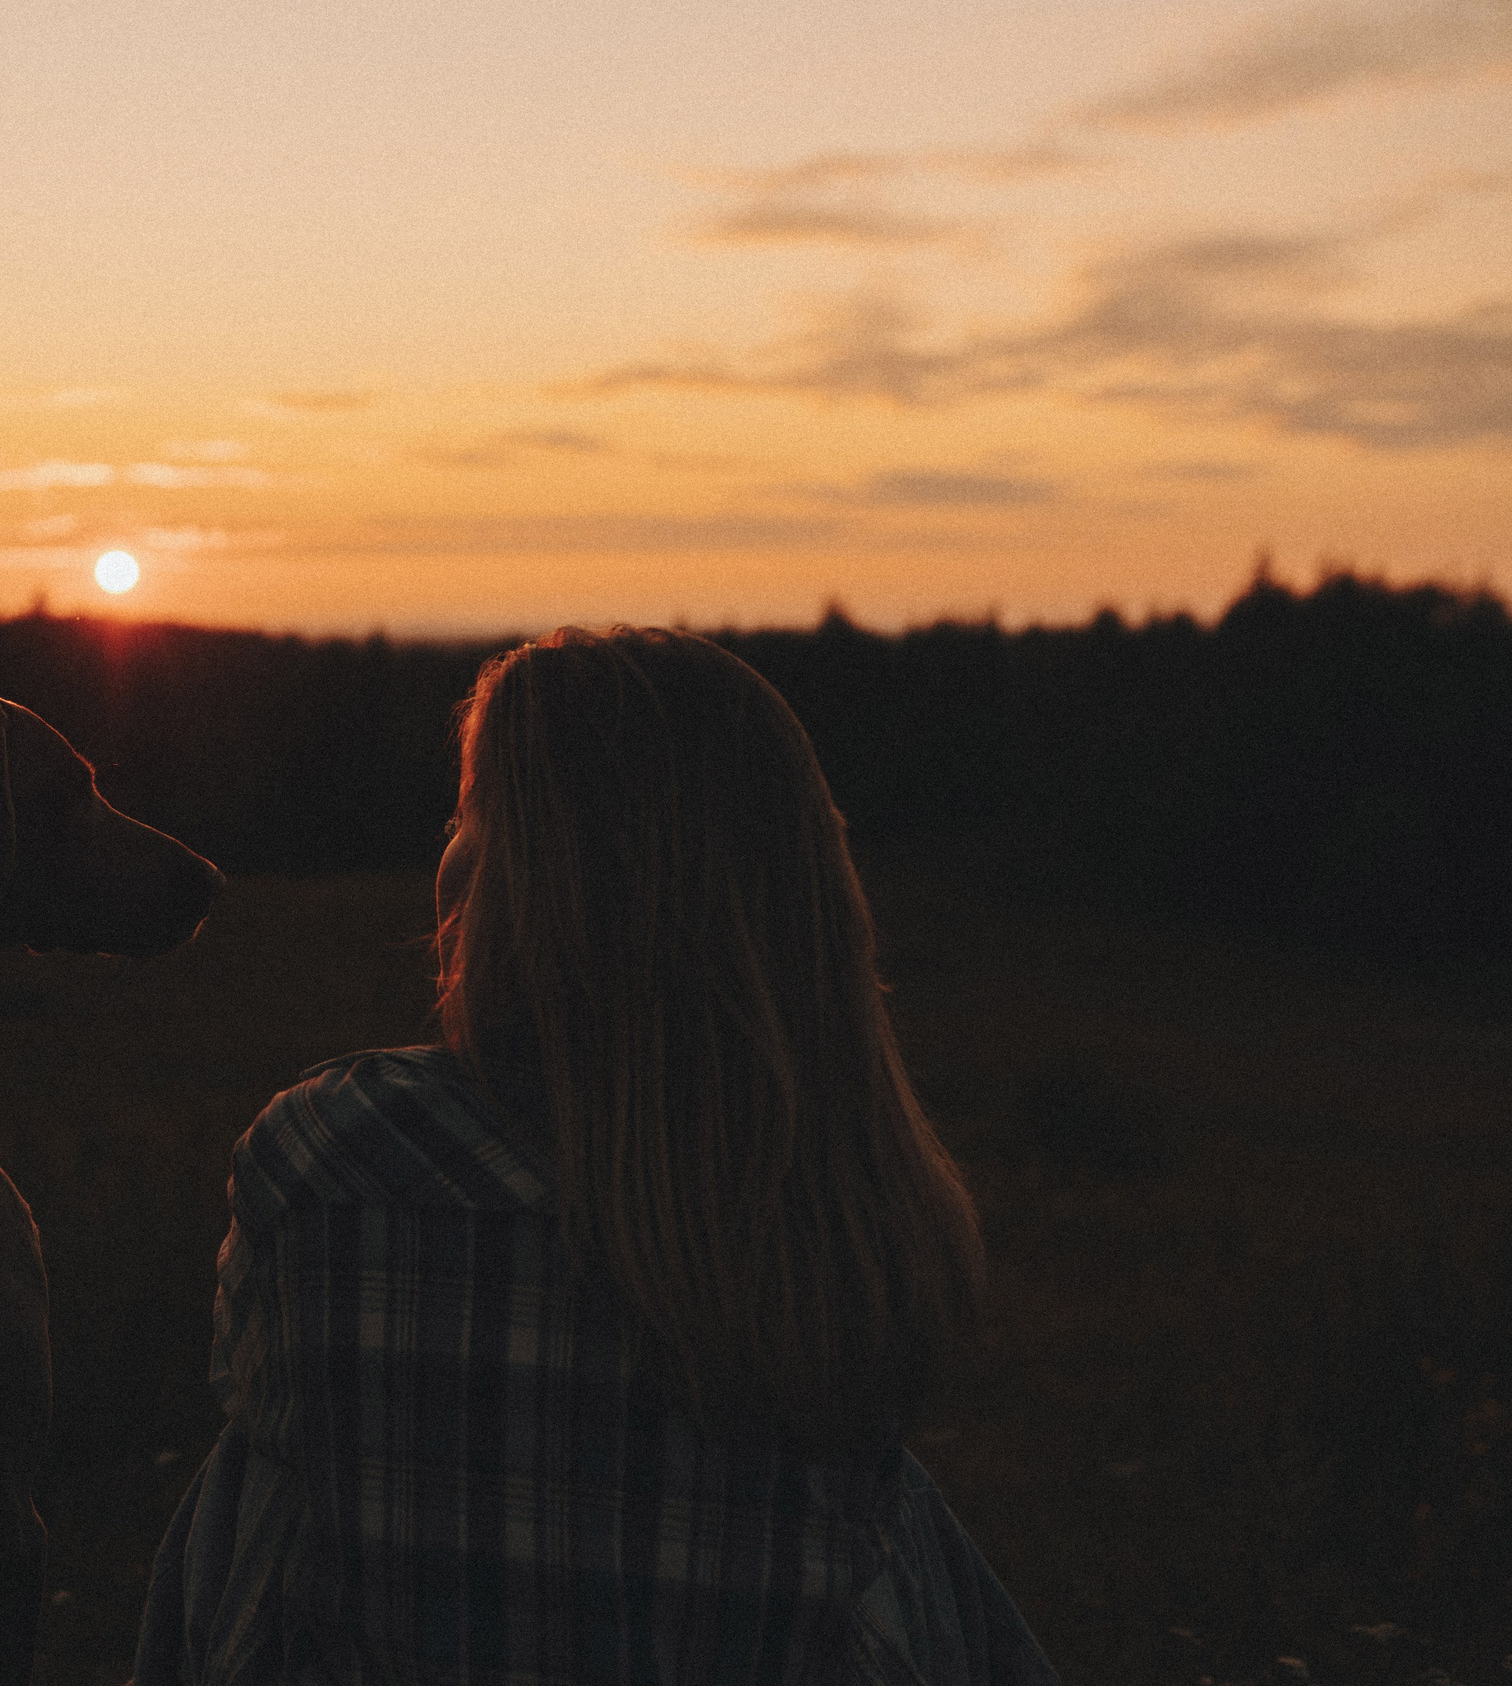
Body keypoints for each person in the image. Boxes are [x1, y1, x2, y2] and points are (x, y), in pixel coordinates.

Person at [134, 627, 1058, 1685]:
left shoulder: (338, 1161)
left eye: (470, 815)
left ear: (520, 878)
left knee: (252, 1477)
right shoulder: (850, 1223)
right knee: (899, 1522)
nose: (450, 849)